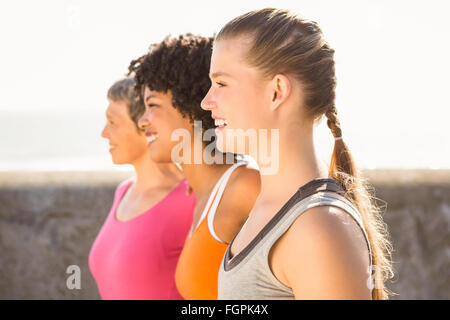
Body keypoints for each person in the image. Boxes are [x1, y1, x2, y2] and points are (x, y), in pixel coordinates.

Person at [201, 8, 394, 300]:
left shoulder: (319, 227)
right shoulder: (274, 208)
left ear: (276, 91)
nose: (206, 101)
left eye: (222, 83)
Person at [128, 34, 261, 300]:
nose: (142, 121)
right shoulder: (203, 195)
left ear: (190, 105)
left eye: (152, 105)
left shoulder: (245, 186)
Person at [88, 77, 196, 299]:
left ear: (146, 127)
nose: (104, 133)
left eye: (113, 122)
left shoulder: (191, 198)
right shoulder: (123, 191)